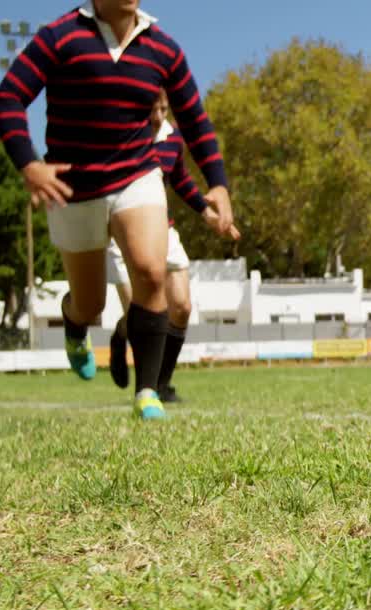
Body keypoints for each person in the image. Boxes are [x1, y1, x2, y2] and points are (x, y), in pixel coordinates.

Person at [0, 0, 234, 419]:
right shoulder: (60, 37)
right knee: (91, 305)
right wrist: (29, 164)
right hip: (73, 187)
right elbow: (8, 98)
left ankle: (148, 392)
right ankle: (73, 324)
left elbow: (195, 120)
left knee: (151, 273)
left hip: (136, 176)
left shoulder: (164, 49)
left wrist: (218, 184)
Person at [106, 93, 241, 402]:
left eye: (164, 109)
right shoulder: (123, 135)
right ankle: (126, 348)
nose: (157, 117)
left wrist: (208, 214)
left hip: (162, 229)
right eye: (151, 109)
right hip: (122, 232)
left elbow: (179, 179)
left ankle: (162, 385)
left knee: (180, 307)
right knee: (141, 312)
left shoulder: (172, 138)